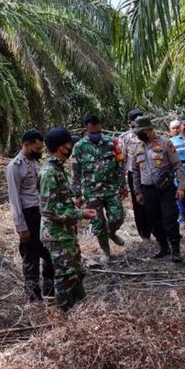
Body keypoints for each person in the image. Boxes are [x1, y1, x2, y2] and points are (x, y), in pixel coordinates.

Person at [40, 127, 97, 310]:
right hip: (57, 235)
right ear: (60, 148)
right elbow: (49, 210)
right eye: (69, 145)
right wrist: (81, 214)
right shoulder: (49, 173)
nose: (72, 148)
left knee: (76, 273)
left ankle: (80, 311)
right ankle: (65, 317)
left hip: (65, 233)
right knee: (65, 277)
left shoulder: (57, 168)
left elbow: (61, 202)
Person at [6, 129, 55, 302]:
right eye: (37, 148)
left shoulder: (34, 162)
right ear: (26, 145)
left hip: (42, 213)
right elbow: (14, 199)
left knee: (49, 251)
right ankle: (33, 297)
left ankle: (50, 292)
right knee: (31, 256)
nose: (39, 151)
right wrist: (21, 227)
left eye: (41, 148)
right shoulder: (14, 167)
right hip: (28, 216)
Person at [71, 113, 127, 264]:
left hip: (111, 188)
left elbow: (120, 166)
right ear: (86, 130)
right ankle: (105, 251)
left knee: (118, 216)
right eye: (92, 133)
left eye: (98, 132)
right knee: (98, 223)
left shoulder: (113, 143)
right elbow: (75, 173)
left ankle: (112, 232)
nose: (96, 135)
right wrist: (77, 194)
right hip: (91, 192)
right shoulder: (79, 147)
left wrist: (123, 185)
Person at [131, 116, 185, 263]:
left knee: (170, 219)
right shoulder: (137, 147)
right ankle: (163, 247)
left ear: (149, 129)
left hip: (166, 190)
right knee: (154, 221)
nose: (139, 134)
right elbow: (135, 172)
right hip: (148, 191)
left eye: (141, 131)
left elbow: (177, 166)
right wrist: (138, 192)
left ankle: (176, 250)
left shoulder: (165, 143)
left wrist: (181, 186)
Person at [119, 108, 152, 240]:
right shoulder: (124, 139)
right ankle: (144, 234)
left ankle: (156, 231)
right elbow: (121, 161)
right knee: (139, 205)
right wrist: (123, 183)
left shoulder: (150, 135)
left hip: (151, 173)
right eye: (135, 121)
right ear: (130, 123)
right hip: (134, 175)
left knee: (153, 202)